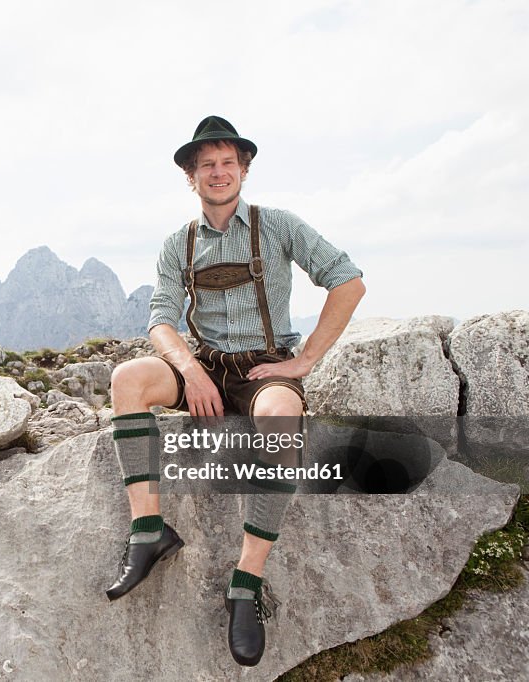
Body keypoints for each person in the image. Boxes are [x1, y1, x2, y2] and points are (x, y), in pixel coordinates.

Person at [104, 116, 365, 667]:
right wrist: (191, 372)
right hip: (204, 367)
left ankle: (245, 584)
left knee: (277, 420)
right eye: (207, 165)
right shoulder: (180, 243)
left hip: (266, 369)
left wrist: (307, 358)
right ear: (190, 177)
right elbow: (159, 320)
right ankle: (148, 531)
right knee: (128, 379)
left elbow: (348, 280)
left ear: (243, 169)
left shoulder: (279, 226)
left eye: (227, 163)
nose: (218, 173)